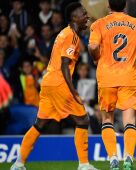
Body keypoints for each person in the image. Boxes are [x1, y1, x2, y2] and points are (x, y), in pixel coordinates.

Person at [10, 2, 98, 170]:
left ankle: (18, 163)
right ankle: (84, 165)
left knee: (40, 124)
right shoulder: (72, 36)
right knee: (83, 119)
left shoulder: (63, 33)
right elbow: (65, 64)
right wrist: (72, 90)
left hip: (48, 83)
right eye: (83, 13)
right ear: (74, 18)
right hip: (59, 83)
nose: (87, 16)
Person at [88, 0, 136, 169]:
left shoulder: (99, 24)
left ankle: (113, 158)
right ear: (125, 6)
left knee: (107, 119)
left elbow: (93, 45)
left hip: (106, 78)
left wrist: (96, 57)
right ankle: (128, 156)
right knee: (129, 120)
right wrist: (131, 53)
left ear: (108, 7)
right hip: (128, 78)